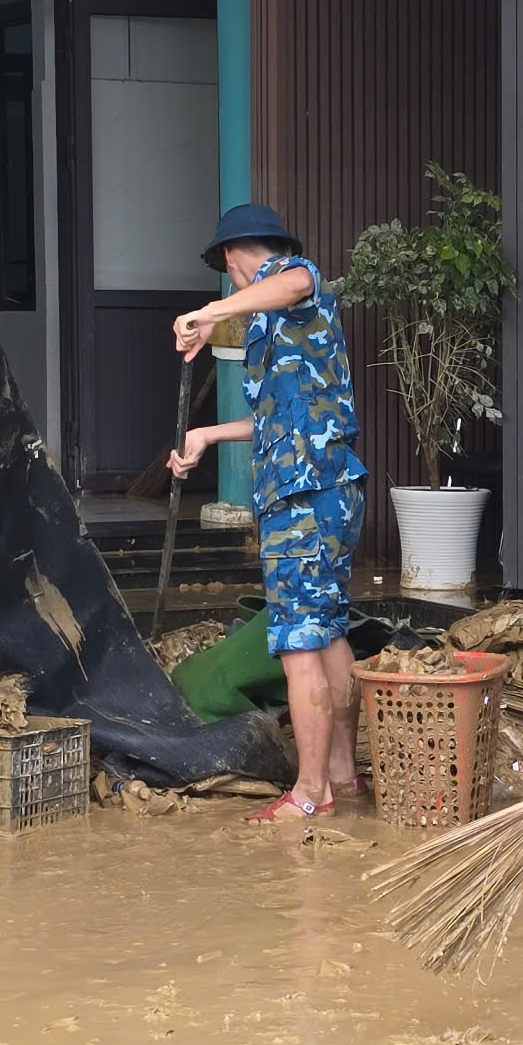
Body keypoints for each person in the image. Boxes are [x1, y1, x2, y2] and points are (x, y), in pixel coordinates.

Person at [163, 204, 368, 824]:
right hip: (327, 491)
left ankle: (311, 793)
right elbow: (280, 418)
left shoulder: (291, 284)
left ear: (230, 261)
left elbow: (297, 278)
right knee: (328, 632)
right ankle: (342, 774)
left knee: (300, 643)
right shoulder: (276, 329)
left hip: (304, 501)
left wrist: (211, 313)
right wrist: (208, 435)